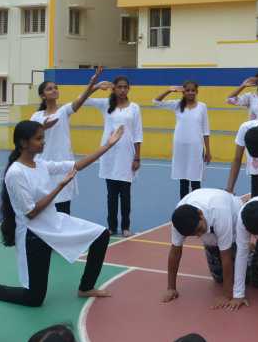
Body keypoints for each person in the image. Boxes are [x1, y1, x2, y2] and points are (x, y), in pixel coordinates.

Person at [0, 120, 124, 306]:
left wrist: (108, 145)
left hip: (53, 223)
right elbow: (31, 212)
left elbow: (77, 165)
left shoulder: (40, 164)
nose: (43, 142)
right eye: (38, 138)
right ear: (23, 143)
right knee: (34, 298)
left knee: (101, 235)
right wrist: (60, 187)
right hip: (33, 234)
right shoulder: (15, 173)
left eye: (43, 138)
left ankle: (86, 287)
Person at [31, 66, 110, 214]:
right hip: (43, 166)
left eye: (55, 88)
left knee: (63, 210)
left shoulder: (64, 111)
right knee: (43, 209)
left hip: (63, 166)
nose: (54, 90)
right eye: (49, 89)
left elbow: (81, 100)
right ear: (42, 95)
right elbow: (29, 137)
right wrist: (43, 127)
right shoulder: (36, 117)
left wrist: (93, 85)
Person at [162, 188, 243, 308]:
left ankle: (250, 250)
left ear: (200, 213)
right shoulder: (179, 221)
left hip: (235, 223)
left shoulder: (220, 212)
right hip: (212, 232)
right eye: (194, 234)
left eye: (199, 230)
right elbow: (175, 251)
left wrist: (227, 295)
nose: (199, 235)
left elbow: (226, 256)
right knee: (219, 278)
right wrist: (171, 288)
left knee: (253, 277)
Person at [86, 76, 143, 237]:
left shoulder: (134, 108)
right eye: (119, 87)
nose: (122, 90)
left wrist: (137, 157)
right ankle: (111, 226)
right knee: (111, 195)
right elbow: (83, 99)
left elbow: (138, 133)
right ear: (114, 88)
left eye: (125, 87)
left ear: (129, 89)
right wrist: (96, 86)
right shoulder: (106, 104)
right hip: (109, 155)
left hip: (127, 155)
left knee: (125, 194)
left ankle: (125, 226)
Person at [153, 81, 212, 199]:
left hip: (196, 147)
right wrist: (169, 90)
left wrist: (208, 151)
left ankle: (196, 204)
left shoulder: (202, 106)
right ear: (183, 92)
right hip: (180, 148)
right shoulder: (177, 105)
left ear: (197, 92)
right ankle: (183, 205)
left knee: (196, 180)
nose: (190, 92)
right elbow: (156, 102)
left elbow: (205, 130)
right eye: (187, 90)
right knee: (183, 180)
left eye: (193, 90)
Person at [226, 71, 258, 194]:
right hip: (254, 140)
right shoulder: (250, 97)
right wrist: (243, 86)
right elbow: (229, 100)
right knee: (256, 178)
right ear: (256, 82)